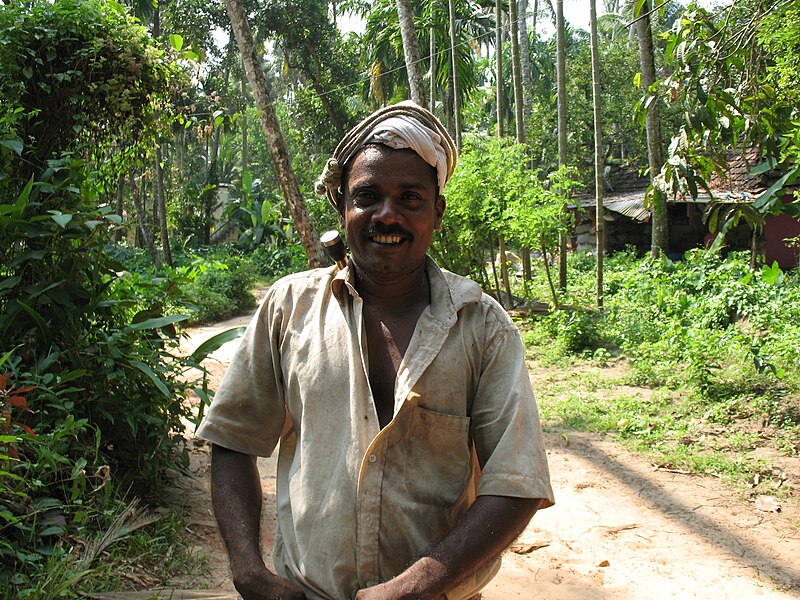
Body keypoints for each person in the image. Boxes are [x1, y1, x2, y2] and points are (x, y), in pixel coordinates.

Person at [196, 101, 554, 600]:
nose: (387, 214)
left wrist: (416, 586)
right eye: (368, 195)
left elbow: (515, 483)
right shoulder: (288, 307)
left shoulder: (482, 326)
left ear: (437, 212)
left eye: (410, 197)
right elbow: (233, 439)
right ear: (343, 206)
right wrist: (247, 570)